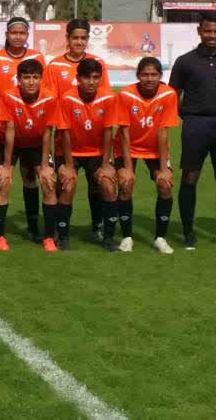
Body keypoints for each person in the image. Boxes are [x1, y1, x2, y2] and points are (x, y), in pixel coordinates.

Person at [167, 12, 216, 250]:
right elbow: (173, 94)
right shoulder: (185, 61)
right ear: (199, 31)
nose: (212, 35)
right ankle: (188, 232)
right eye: (208, 31)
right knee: (190, 176)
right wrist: (187, 115)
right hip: (195, 125)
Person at [44, 18, 112, 242]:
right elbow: (51, 101)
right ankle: (59, 230)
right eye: (75, 38)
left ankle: (98, 227)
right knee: (65, 183)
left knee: (97, 185)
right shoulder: (54, 66)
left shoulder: (97, 63)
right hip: (65, 137)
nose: (79, 42)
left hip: (92, 139)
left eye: (83, 38)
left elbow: (104, 100)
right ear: (67, 39)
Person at [0, 59, 58, 252]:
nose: (31, 82)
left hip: (36, 144)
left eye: (35, 77)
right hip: (11, 143)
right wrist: (7, 166)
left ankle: (48, 237)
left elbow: (47, 133)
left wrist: (44, 166)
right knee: (4, 181)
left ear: (41, 79)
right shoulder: (8, 96)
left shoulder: (50, 97)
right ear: (18, 79)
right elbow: (9, 131)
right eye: (26, 77)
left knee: (48, 181)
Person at [114, 57, 179, 254]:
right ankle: (126, 237)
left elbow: (163, 132)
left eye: (153, 75)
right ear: (138, 76)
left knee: (165, 184)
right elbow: (124, 132)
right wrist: (126, 167)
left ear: (160, 76)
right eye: (144, 74)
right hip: (127, 147)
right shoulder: (125, 94)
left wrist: (165, 167)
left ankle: (160, 238)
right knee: (126, 184)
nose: (149, 79)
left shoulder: (168, 94)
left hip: (154, 149)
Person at [54, 58, 118, 252]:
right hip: (69, 151)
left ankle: (106, 236)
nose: (91, 82)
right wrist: (68, 165)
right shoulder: (67, 98)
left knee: (107, 184)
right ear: (78, 79)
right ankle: (62, 235)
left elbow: (108, 132)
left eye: (96, 77)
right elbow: (64, 133)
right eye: (87, 77)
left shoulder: (108, 98)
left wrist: (106, 164)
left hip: (97, 152)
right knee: (68, 184)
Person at [0, 17, 46, 96]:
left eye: (22, 33)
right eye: (14, 33)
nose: (18, 37)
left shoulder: (37, 56)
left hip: (29, 106)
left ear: (27, 35)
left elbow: (44, 84)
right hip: (5, 106)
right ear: (7, 35)